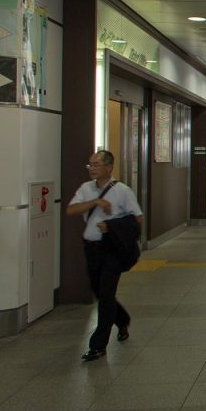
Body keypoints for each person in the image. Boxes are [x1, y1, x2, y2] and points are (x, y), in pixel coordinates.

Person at [66, 149, 144, 362]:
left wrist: (111, 226)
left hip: (112, 250)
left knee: (106, 294)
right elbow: (71, 210)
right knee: (100, 292)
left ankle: (98, 344)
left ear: (109, 167)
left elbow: (137, 219)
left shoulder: (122, 191)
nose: (92, 168)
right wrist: (94, 203)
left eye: (96, 164)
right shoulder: (85, 189)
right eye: (90, 165)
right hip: (91, 248)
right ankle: (122, 319)